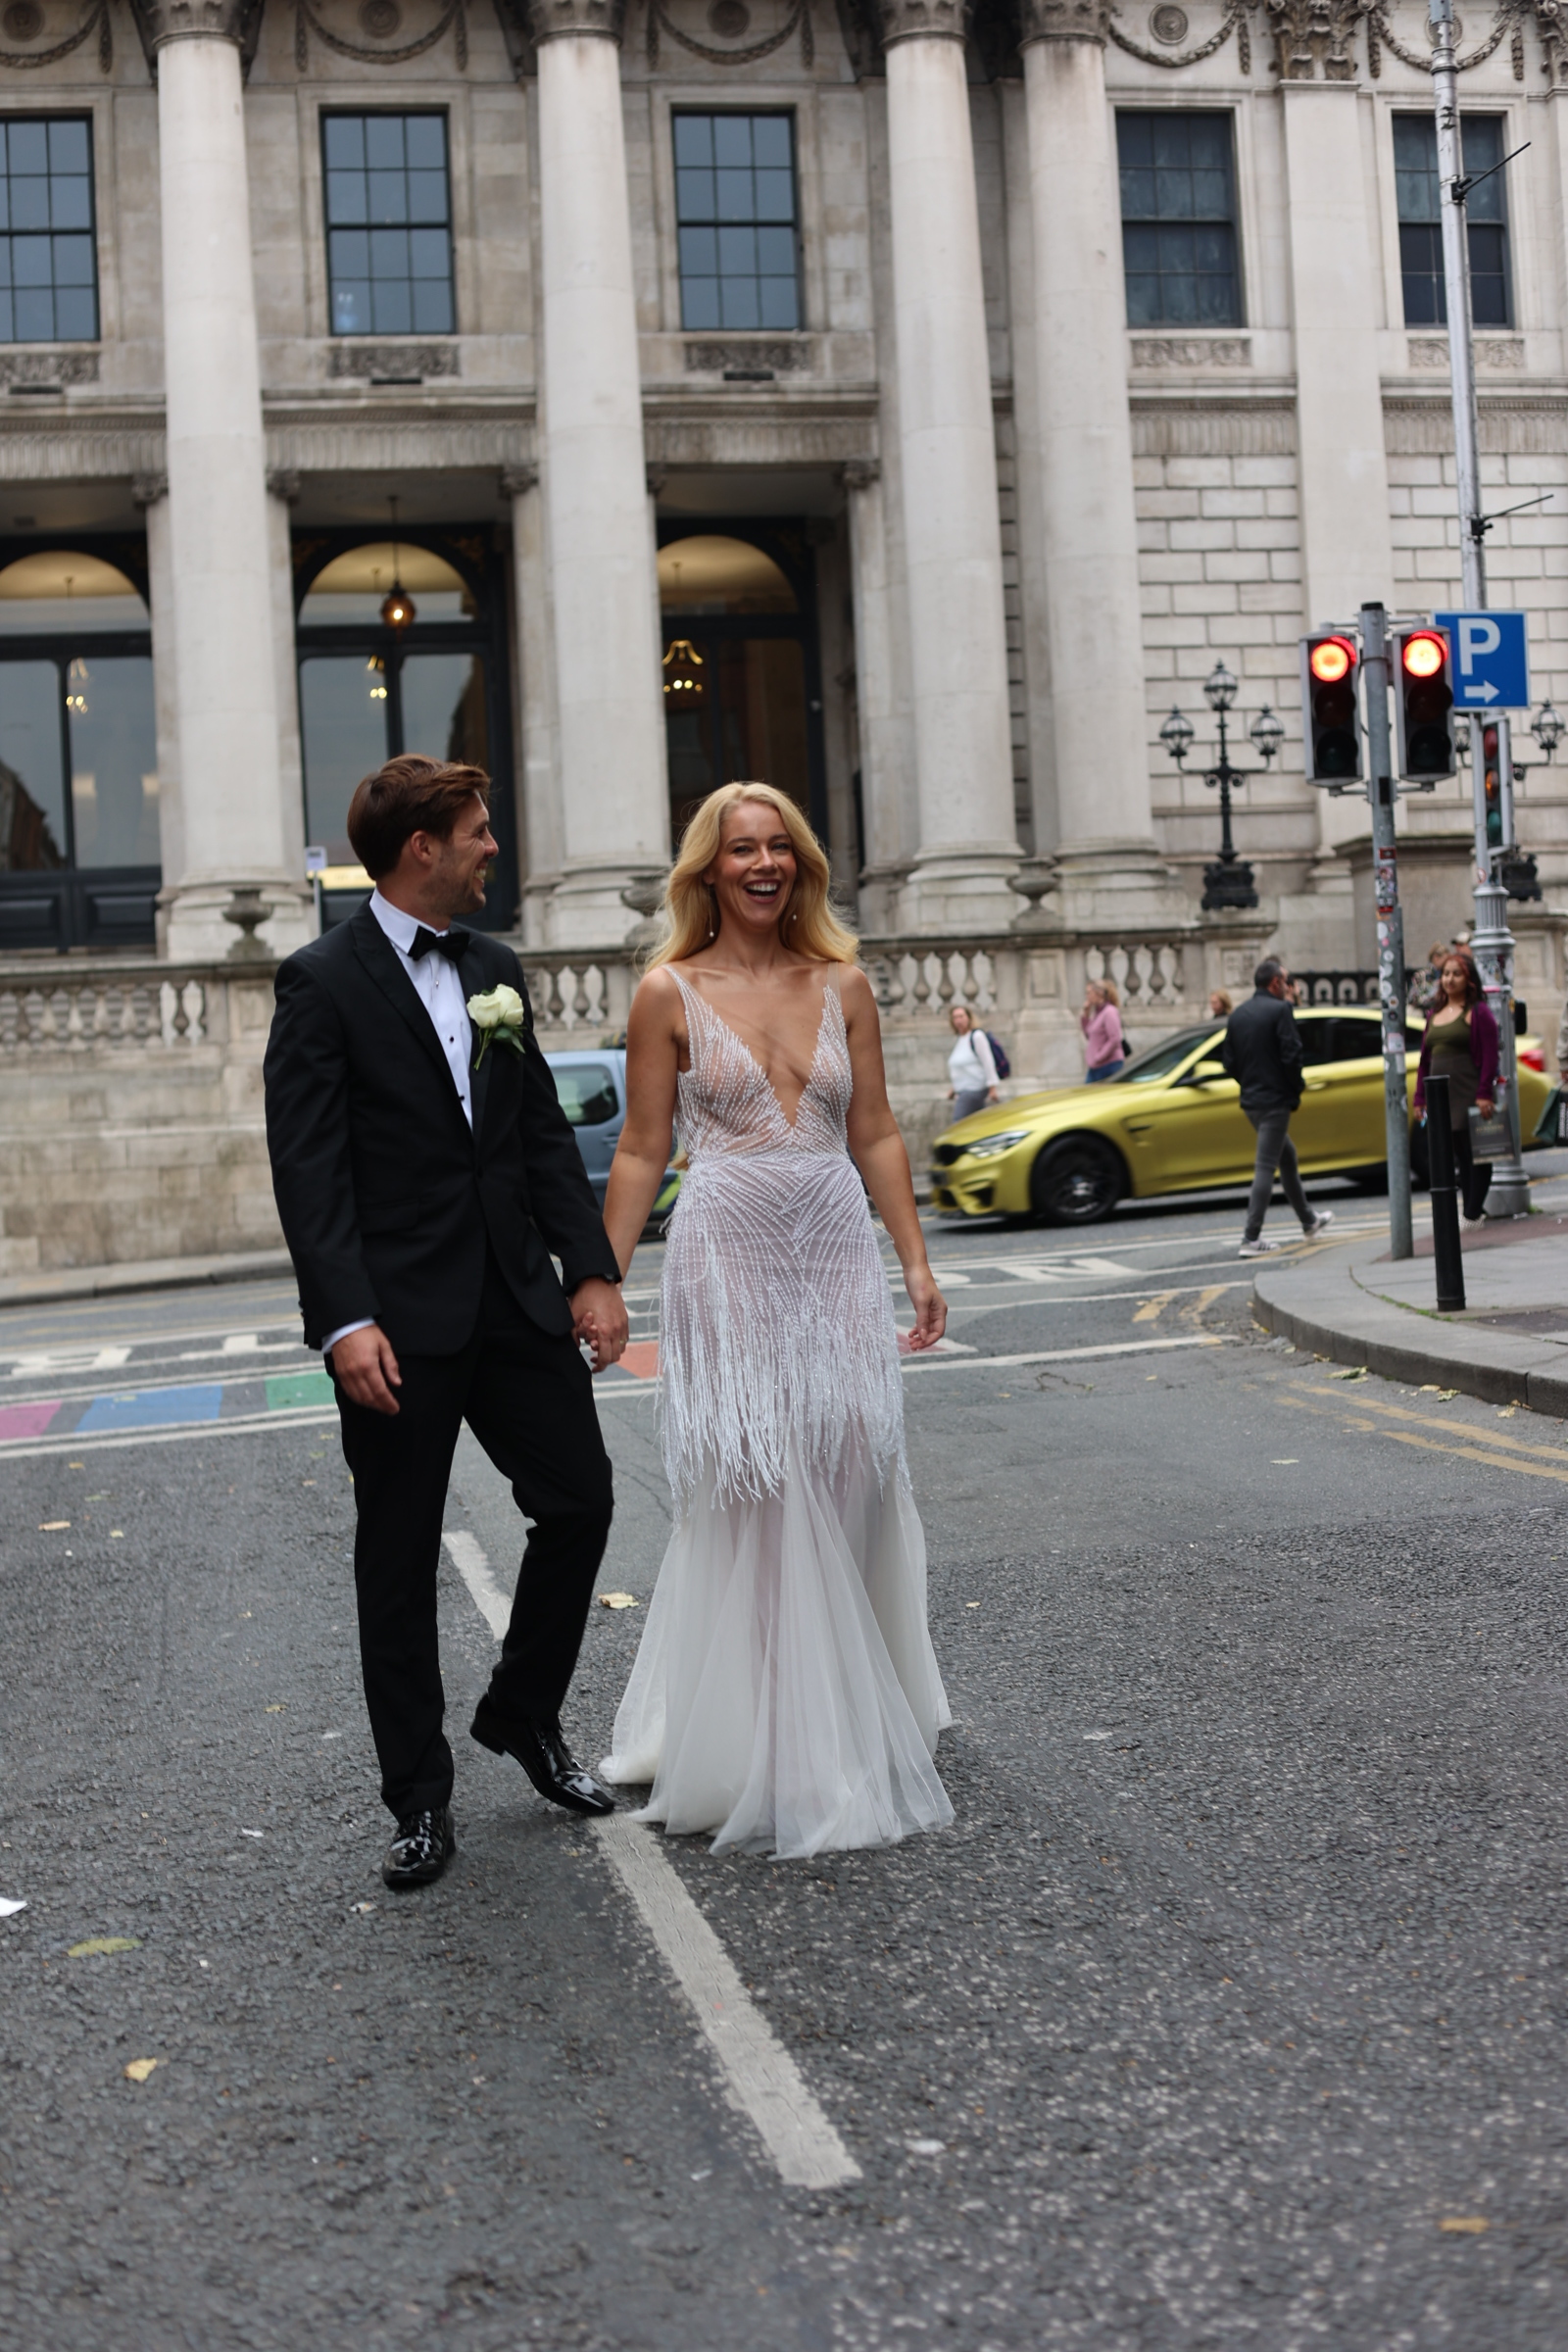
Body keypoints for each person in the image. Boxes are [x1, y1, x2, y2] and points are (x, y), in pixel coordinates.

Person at [263, 755, 630, 1892]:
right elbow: (308, 1167)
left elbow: (533, 1141)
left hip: (518, 1301)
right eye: (476, 831)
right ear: (421, 848)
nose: (491, 847)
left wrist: (593, 1272)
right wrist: (343, 1321)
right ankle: (418, 1800)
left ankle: (520, 1713)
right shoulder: (319, 981)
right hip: (397, 1326)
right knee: (397, 1557)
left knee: (580, 1499)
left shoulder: (496, 967)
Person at [594, 781, 954, 1858]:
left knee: (846, 1462)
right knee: (758, 1485)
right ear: (707, 871)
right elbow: (641, 1149)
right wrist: (601, 1281)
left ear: (800, 864)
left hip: (834, 1249)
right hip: (727, 1252)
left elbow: (877, 1131)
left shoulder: (843, 984)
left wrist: (916, 1261)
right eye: (740, 849)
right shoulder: (666, 991)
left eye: (779, 847)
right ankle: (773, 1738)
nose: (762, 864)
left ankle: (859, 1691)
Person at [1222, 956, 1336, 1259]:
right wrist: (1294, 1088)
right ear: (1275, 983)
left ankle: (1309, 1220)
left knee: (1287, 1156)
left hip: (1251, 1101)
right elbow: (1292, 1054)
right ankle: (1250, 1237)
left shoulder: (1238, 1014)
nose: (1288, 987)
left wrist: (1250, 1082)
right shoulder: (1281, 1009)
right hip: (1274, 1101)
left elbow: (1229, 1062)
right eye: (1286, 982)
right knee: (1265, 1165)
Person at [1414, 948, 1499, 1223]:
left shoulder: (1479, 1012)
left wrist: (1485, 1092)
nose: (1449, 980)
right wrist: (1420, 1099)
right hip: (1441, 1096)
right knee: (1459, 1154)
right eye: (1446, 974)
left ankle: (1472, 1213)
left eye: (1457, 974)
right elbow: (1424, 1061)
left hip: (1469, 1092)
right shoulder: (1434, 1014)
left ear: (1469, 979)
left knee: (1476, 1153)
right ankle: (1472, 1210)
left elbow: (1490, 1056)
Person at [947, 1003, 1000, 1121]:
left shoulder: (977, 1036)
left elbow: (988, 1061)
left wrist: (993, 1088)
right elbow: (962, 1068)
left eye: (961, 1016)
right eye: (955, 1017)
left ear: (969, 1018)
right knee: (977, 1124)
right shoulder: (960, 1039)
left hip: (974, 1089)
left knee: (958, 1122)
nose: (958, 1020)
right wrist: (953, 1088)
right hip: (964, 1090)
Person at [1080, 978, 1126, 1082]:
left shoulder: (1109, 1012)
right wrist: (1086, 1015)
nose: (1087, 996)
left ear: (1098, 993)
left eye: (1089, 993)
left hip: (1109, 1065)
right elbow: (1089, 1035)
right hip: (1097, 1066)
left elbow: (1114, 1039)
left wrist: (1098, 1057)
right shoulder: (1097, 1013)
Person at [1408, 941, 1451, 1019]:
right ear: (1436, 958)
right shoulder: (1422, 975)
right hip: (1423, 1017)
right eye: (1445, 960)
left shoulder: (1445, 975)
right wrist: (1436, 992)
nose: (1447, 963)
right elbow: (1414, 999)